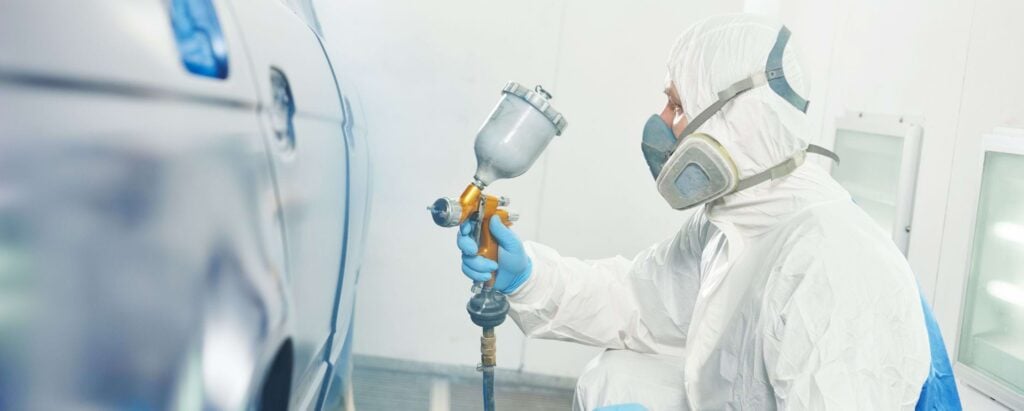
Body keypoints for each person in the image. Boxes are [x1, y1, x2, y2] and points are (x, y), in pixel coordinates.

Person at [457, 13, 959, 410]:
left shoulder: (829, 261)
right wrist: (526, 279)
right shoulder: (738, 219)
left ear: (734, 115)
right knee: (617, 378)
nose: (662, 123)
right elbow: (638, 304)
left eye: (677, 104)